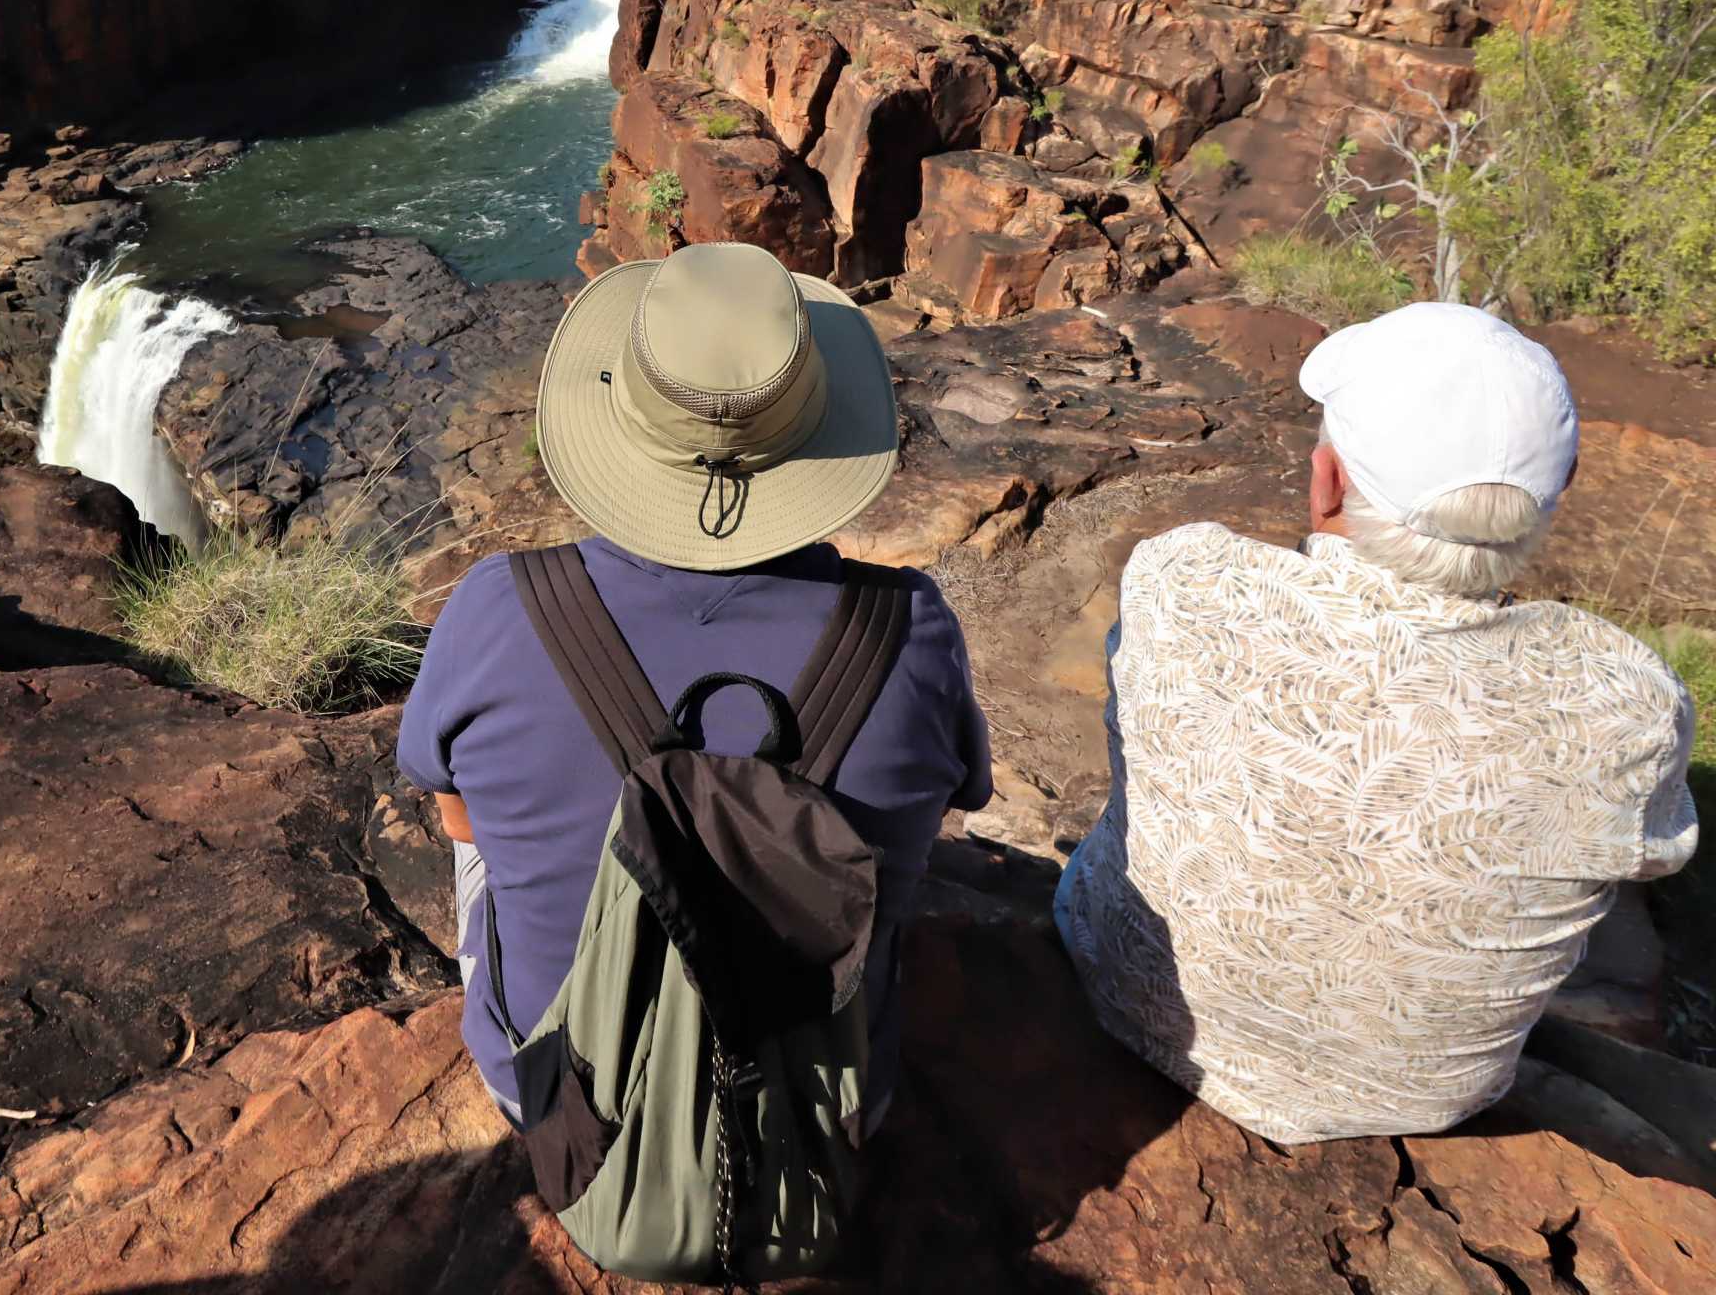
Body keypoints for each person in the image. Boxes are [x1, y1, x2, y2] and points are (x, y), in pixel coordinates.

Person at [1055, 300, 1698, 1144]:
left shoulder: (1183, 578)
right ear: (1558, 493)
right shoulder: (1628, 702)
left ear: (1326, 481)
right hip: (1419, 1099)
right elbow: (1653, 853)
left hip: (1126, 994)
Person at [398, 240, 991, 1134]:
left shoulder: (496, 607)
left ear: (620, 417)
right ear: (816, 432)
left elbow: (457, 818)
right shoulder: (910, 629)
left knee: (475, 831)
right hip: (822, 1118)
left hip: (564, 1107)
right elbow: (958, 799)